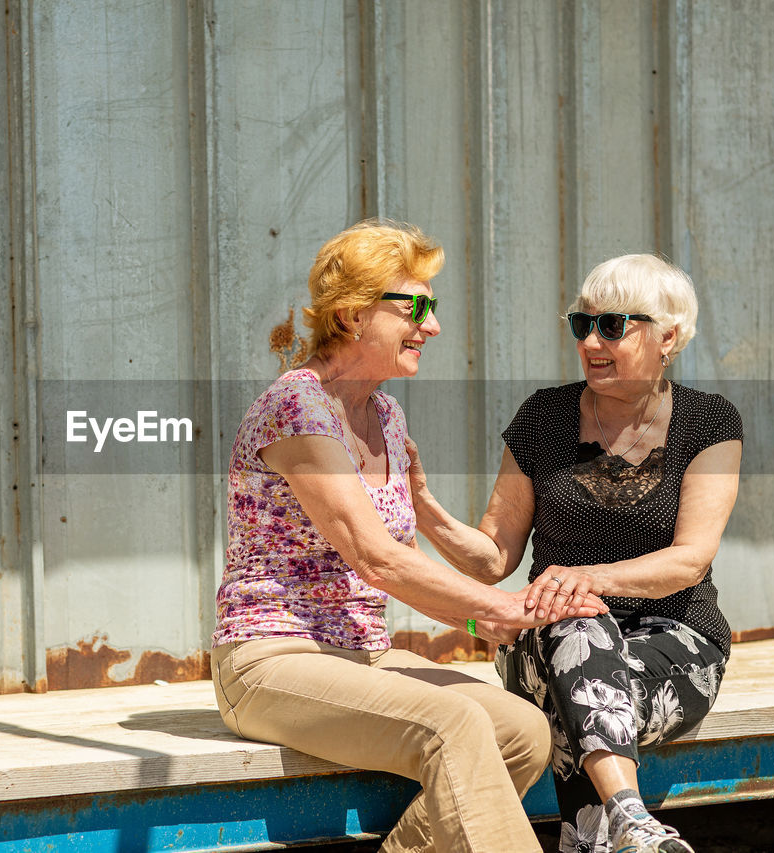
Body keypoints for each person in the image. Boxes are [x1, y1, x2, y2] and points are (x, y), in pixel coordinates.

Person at [210, 219, 611, 853]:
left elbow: (452, 559)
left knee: (523, 731)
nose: (433, 325)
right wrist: (497, 612)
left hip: (364, 653)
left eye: (434, 306)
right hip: (272, 660)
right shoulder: (296, 408)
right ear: (350, 317)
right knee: (453, 725)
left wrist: (433, 517)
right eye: (415, 306)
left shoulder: (387, 416)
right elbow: (376, 559)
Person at [406, 254, 742, 853]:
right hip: (547, 641)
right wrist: (426, 507)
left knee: (572, 698)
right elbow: (493, 558)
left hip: (676, 642)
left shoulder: (708, 421)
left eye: (612, 326)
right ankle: (632, 819)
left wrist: (585, 576)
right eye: (581, 324)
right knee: (575, 628)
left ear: (668, 336)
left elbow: (688, 561)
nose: (591, 340)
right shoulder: (544, 416)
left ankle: (600, 834)